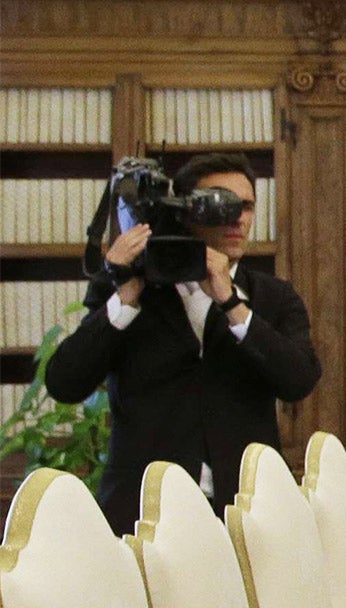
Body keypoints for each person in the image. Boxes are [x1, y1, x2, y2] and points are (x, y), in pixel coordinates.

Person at [44, 151, 320, 532]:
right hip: (143, 513)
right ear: (185, 211)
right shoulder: (127, 290)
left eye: (247, 206)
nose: (238, 218)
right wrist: (127, 293)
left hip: (248, 514)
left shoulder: (274, 297)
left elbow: (299, 380)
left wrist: (232, 304)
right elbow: (65, 382)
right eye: (220, 205)